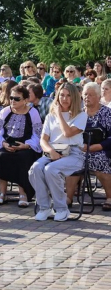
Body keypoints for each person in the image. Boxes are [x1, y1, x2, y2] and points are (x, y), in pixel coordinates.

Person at [29, 82, 86, 221]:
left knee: (51, 170)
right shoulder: (50, 116)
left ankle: (61, 208)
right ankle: (44, 207)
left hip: (74, 153)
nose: (64, 98)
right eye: (61, 95)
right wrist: (51, 151)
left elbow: (67, 133)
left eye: (68, 96)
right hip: (53, 151)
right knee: (35, 168)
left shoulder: (81, 115)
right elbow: (43, 140)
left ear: (74, 97)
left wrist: (60, 114)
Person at [0, 85, 43, 207]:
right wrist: (3, 143)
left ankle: (23, 193)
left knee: (23, 157)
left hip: (26, 145)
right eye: (11, 98)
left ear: (26, 100)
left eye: (17, 99)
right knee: (1, 156)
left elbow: (38, 134)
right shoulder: (5, 111)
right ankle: (2, 194)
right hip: (7, 143)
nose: (12, 101)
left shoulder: (33, 112)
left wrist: (26, 145)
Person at [64, 82, 111, 210]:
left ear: (99, 96)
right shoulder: (77, 113)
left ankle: (109, 197)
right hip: (80, 149)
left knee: (99, 160)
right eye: (85, 94)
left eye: (90, 95)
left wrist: (96, 147)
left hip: (102, 149)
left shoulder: (107, 113)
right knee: (72, 160)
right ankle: (68, 198)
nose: (86, 97)